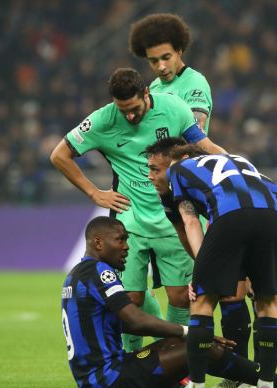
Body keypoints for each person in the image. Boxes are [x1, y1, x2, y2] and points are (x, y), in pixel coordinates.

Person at [61, 216, 277, 388]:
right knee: (203, 346)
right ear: (98, 243)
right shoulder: (100, 273)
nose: (126, 247)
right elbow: (133, 321)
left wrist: (182, 335)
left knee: (179, 343)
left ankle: (221, 382)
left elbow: (106, 323)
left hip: (97, 379)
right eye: (120, 240)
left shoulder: (77, 275)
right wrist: (190, 332)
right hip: (110, 379)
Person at [50, 68, 225, 352]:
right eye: (123, 111)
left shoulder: (174, 108)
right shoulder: (102, 120)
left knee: (181, 297)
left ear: (146, 94)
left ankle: (173, 363)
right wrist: (94, 192)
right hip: (130, 219)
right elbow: (59, 155)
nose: (129, 116)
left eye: (133, 109)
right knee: (129, 300)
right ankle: (130, 361)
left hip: (175, 216)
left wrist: (237, 167)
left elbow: (203, 145)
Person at [147, 142, 277, 388]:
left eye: (156, 169)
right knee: (266, 300)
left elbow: (189, 221)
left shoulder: (179, 170)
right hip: (271, 217)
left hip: (258, 217)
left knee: (203, 298)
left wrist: (202, 274)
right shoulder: (231, 163)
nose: (151, 175)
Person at [131, 15, 254, 388]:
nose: (161, 66)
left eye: (166, 57)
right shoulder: (151, 87)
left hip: (196, 199)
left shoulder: (194, 84)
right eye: (153, 61)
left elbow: (192, 140)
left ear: (180, 50)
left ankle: (240, 374)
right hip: (169, 199)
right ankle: (191, 369)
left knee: (217, 287)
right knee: (191, 290)